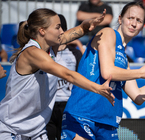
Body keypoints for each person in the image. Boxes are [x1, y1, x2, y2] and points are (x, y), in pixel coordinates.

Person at [0, 8, 115, 140]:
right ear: (42, 31)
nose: (62, 31)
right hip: (11, 128)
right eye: (58, 27)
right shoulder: (31, 52)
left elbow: (74, 32)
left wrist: (86, 25)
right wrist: (98, 88)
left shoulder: (50, 46)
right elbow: (68, 75)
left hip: (36, 131)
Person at [61, 1, 145, 140]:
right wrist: (140, 72)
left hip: (107, 123)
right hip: (83, 115)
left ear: (142, 27)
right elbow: (108, 72)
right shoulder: (108, 33)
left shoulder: (124, 60)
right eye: (130, 18)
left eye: (139, 21)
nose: (134, 24)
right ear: (120, 19)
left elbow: (138, 96)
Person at [46, 14, 83, 140]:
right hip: (47, 106)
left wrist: (78, 43)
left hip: (67, 106)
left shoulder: (75, 53)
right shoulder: (45, 53)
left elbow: (82, 77)